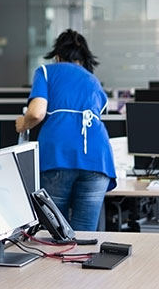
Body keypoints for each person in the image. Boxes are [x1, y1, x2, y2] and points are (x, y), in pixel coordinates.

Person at [15, 29, 116, 231]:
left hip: (59, 155)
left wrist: (22, 124)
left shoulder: (46, 72)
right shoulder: (93, 81)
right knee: (84, 234)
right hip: (98, 160)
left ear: (58, 55)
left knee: (54, 232)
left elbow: (36, 113)